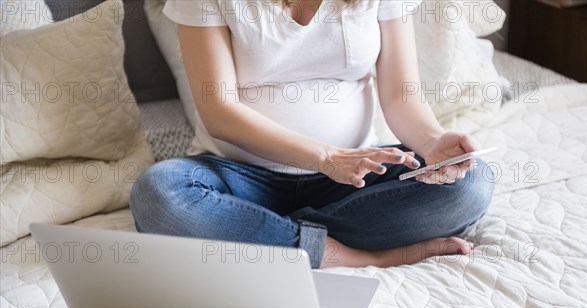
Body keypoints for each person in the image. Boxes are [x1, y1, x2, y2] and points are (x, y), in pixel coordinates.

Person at [130, 0, 495, 269]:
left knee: (471, 181)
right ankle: (359, 255)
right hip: (240, 179)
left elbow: (401, 97)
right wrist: (325, 158)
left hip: (355, 179)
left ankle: (264, 238)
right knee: (158, 195)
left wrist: (432, 142)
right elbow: (219, 112)